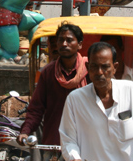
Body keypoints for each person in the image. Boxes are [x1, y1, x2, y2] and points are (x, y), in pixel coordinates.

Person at [59, 42, 133, 161]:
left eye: (105, 67)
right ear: (88, 67)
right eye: (94, 67)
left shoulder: (132, 91)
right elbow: (68, 140)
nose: (100, 72)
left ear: (114, 68)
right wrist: (74, 159)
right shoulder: (75, 100)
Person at [18, 21, 88, 149]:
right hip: (55, 142)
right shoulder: (48, 73)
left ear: (79, 44)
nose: (64, 44)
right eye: (60, 40)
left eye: (69, 40)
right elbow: (36, 108)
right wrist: (25, 131)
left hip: (85, 143)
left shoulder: (89, 69)